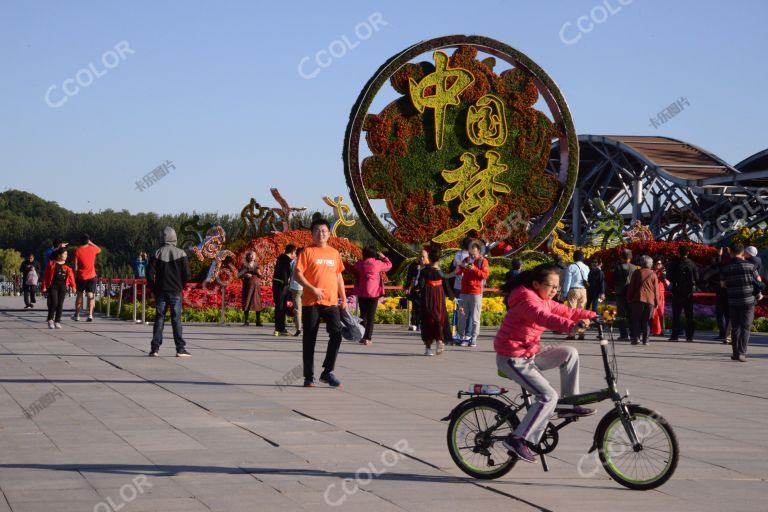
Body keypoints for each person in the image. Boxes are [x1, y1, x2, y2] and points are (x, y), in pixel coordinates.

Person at [495, 264, 596, 463]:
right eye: (551, 286)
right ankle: (517, 439)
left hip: (530, 351)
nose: (554, 291)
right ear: (536, 284)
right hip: (512, 356)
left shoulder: (544, 299)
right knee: (548, 396)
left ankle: (569, 403)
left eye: (557, 287)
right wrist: (572, 327)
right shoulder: (526, 299)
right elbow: (544, 317)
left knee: (569, 352)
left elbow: (566, 311)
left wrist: (593, 316)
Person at [294, 218, 347, 388]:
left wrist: (343, 297)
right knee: (309, 340)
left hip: (331, 301)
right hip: (311, 302)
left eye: (324, 230)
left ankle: (327, 371)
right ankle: (308, 377)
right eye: (317, 230)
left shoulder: (334, 253)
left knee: (337, 334)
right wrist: (312, 289)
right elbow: (297, 275)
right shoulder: (307, 252)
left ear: (329, 234)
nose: (321, 233)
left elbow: (338, 276)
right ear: (312, 234)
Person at [146, 227, 191, 357]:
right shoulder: (181, 253)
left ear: (162, 238)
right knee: (176, 319)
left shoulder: (157, 253)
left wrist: (153, 289)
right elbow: (187, 274)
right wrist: (181, 285)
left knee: (159, 318)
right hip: (175, 291)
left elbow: (149, 273)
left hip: (160, 291)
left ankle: (155, 349)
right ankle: (180, 349)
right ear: (174, 237)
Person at [721, 242, 763, 362]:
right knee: (745, 327)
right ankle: (741, 353)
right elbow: (758, 280)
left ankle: (735, 353)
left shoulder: (726, 267)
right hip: (748, 301)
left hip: (733, 300)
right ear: (742, 252)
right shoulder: (750, 266)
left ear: (731, 252)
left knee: (735, 327)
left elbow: (723, 284)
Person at [418, 247, 454, 356]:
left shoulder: (424, 271)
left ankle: (428, 348)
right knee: (440, 319)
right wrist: (453, 297)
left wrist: (415, 290)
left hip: (427, 299)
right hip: (439, 300)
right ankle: (440, 339)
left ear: (429, 258)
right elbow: (447, 287)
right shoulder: (441, 273)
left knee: (427, 321)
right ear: (439, 259)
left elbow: (420, 285)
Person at [352, 246, 392, 346]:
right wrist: (383, 257)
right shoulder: (377, 263)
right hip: (374, 293)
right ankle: (368, 338)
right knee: (371, 316)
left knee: (363, 316)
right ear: (374, 254)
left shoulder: (360, 264)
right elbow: (389, 265)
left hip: (362, 292)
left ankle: (362, 336)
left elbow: (354, 268)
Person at [455, 240, 489, 347]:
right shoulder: (466, 259)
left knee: (475, 317)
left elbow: (484, 275)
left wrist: (474, 269)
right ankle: (461, 336)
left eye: (473, 253)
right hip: (464, 292)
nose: (472, 255)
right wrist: (461, 265)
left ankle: (473, 337)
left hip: (476, 292)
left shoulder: (483, 261)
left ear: (478, 251)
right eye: (470, 252)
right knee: (461, 316)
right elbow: (458, 273)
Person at [667, 245, 699, 342]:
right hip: (688, 292)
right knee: (689, 315)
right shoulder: (692, 264)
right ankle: (689, 336)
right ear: (688, 253)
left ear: (678, 252)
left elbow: (669, 276)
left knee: (676, 315)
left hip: (677, 291)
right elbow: (697, 277)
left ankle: (675, 335)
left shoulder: (674, 263)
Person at [627, 255, 659, 346]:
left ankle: (636, 338)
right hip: (650, 300)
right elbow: (656, 290)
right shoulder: (653, 274)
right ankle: (646, 339)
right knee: (647, 320)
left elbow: (631, 287)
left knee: (636, 320)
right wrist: (657, 302)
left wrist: (629, 297)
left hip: (637, 299)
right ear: (650, 264)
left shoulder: (637, 272)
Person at [41, 248, 75, 329]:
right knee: (54, 303)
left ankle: (57, 321)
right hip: (53, 286)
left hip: (63, 286)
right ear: (59, 255)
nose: (66, 256)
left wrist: (73, 286)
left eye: (67, 254)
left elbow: (71, 277)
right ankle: (50, 319)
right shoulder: (51, 264)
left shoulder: (67, 265)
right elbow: (46, 276)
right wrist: (44, 286)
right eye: (65, 254)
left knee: (60, 304)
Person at [72, 234, 101, 322]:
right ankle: (90, 315)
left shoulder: (77, 250)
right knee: (90, 295)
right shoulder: (93, 249)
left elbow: (76, 266)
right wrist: (91, 243)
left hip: (81, 276)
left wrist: (74, 276)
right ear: (88, 241)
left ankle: (77, 315)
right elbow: (99, 249)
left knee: (79, 295)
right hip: (92, 276)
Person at [272, 244, 297, 336]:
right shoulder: (286, 260)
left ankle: (277, 328)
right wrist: (286, 286)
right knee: (281, 307)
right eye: (295, 252)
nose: (296, 255)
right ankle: (281, 329)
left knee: (278, 307)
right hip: (281, 285)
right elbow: (285, 273)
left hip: (276, 284)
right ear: (292, 252)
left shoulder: (280, 258)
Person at [613, 249, 637, 341]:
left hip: (620, 294)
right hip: (632, 295)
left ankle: (624, 335)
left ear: (621, 257)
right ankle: (633, 333)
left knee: (621, 315)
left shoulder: (618, 267)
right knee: (632, 315)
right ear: (630, 257)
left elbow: (615, 281)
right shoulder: (635, 268)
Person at [561, 250, 590, 325]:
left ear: (574, 257)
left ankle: (572, 334)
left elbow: (568, 281)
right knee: (581, 313)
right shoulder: (586, 267)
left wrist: (565, 294)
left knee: (572, 312)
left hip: (573, 290)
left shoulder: (571, 267)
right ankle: (581, 334)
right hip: (583, 290)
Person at [405, 248, 428, 332]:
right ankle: (415, 323)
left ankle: (422, 323)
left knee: (423, 308)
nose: (422, 258)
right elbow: (409, 278)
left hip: (425, 290)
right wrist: (407, 288)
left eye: (423, 257)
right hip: (415, 289)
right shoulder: (414, 266)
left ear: (427, 257)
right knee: (415, 307)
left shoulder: (428, 267)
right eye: (420, 256)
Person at [238, 251, 264, 327]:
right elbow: (238, 275)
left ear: (255, 257)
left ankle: (258, 321)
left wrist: (259, 273)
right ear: (248, 256)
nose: (252, 256)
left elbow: (261, 276)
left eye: (253, 255)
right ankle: (246, 321)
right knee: (247, 301)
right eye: (250, 255)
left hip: (256, 286)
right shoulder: (244, 265)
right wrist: (245, 275)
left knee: (257, 301)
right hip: (247, 286)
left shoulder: (257, 265)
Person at [586, 256, 606, 340]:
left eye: (595, 262)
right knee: (586, 309)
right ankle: (586, 324)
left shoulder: (599, 272)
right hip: (589, 293)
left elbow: (602, 283)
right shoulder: (590, 271)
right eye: (593, 262)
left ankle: (602, 325)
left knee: (594, 309)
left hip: (597, 293)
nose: (594, 264)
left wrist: (602, 293)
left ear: (598, 263)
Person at [650, 259, 670, 336]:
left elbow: (667, 282)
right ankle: (653, 329)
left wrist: (663, 274)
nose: (659, 265)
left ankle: (661, 330)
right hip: (653, 294)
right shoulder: (651, 272)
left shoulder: (663, 273)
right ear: (654, 264)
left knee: (661, 312)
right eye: (657, 263)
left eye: (660, 264)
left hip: (661, 294)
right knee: (653, 313)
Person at [289, 247, 304, 336]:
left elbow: (291, 275)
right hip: (306, 287)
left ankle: (298, 328)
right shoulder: (307, 262)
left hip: (296, 287)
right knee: (307, 308)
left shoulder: (293, 262)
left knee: (297, 309)